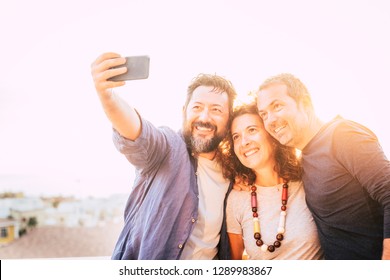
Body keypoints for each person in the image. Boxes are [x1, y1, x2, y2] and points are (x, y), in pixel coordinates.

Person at [90, 52, 237, 260]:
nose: (204, 117)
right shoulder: (167, 147)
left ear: (229, 120)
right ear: (184, 111)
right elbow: (139, 133)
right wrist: (108, 97)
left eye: (216, 110)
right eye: (197, 107)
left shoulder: (232, 173)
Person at [255, 73, 390, 260]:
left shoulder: (342, 135)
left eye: (277, 106)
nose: (270, 120)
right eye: (264, 114)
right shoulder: (305, 159)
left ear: (306, 104)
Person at [220, 102, 323, 260]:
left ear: (272, 133)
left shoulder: (308, 177)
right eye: (236, 137)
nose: (244, 142)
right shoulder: (236, 199)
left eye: (252, 130)